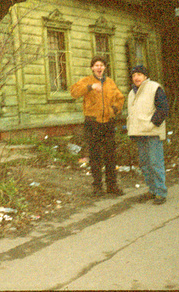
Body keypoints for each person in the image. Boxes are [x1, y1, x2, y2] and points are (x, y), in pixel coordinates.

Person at [70, 56, 125, 196]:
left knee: (110, 155)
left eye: (101, 65)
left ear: (105, 67)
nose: (99, 68)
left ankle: (112, 186)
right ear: (92, 68)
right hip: (92, 122)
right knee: (95, 156)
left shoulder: (110, 83)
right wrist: (90, 87)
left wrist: (114, 110)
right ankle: (97, 187)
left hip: (108, 123)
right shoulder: (87, 80)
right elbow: (74, 92)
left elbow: (120, 98)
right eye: (96, 65)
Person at [127, 64, 169, 205]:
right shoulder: (132, 93)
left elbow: (163, 109)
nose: (136, 78)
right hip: (140, 134)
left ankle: (160, 192)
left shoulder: (154, 88)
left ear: (145, 76)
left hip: (152, 134)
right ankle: (152, 190)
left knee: (155, 163)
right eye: (134, 75)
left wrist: (152, 125)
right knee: (145, 164)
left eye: (139, 74)